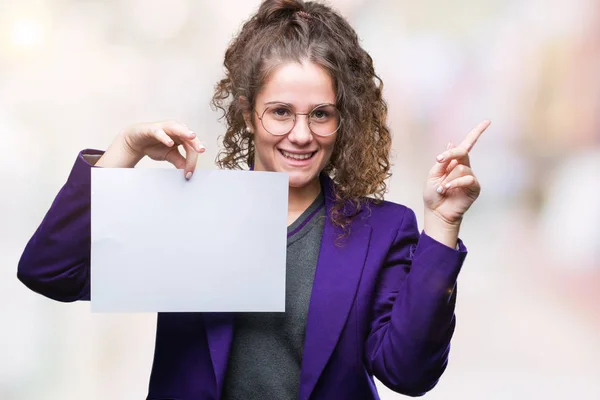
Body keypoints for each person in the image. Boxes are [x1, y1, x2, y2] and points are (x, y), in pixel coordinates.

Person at [17, 0, 490, 399]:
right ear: (247, 113)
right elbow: (52, 272)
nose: (301, 135)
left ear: (342, 120)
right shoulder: (191, 210)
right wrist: (124, 151)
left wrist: (442, 225)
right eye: (280, 112)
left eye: (321, 114)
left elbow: (408, 374)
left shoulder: (383, 229)